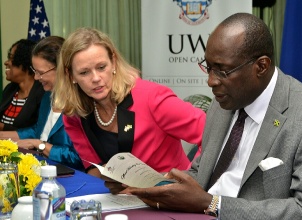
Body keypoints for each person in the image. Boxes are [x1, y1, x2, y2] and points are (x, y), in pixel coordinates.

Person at [121, 13, 302, 219]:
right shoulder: (224, 101)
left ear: (261, 66)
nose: (211, 81)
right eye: (208, 68)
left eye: (222, 71)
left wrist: (213, 204)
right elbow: (202, 174)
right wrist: (145, 185)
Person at [52, 27, 205, 178]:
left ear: (113, 62)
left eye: (101, 67)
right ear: (70, 75)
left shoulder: (152, 97)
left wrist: (192, 177)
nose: (96, 78)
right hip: (122, 199)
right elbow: (93, 169)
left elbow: (211, 134)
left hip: (171, 196)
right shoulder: (74, 114)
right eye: (84, 72)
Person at [0, 36, 83, 170]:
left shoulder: (81, 104)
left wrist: (40, 145)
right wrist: (4, 137)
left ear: (62, 69)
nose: (36, 77)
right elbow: (38, 130)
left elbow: (79, 158)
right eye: (35, 71)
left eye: (41, 72)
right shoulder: (47, 96)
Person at [0, 39, 44, 131]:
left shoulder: (42, 92)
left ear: (25, 62)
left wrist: (3, 127)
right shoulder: (10, 89)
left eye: (11, 58)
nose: (6, 62)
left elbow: (38, 131)